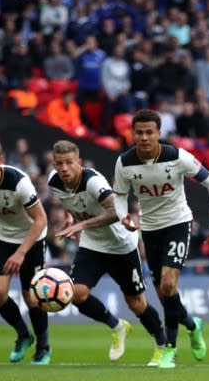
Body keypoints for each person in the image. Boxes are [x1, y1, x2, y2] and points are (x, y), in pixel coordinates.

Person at [113, 109, 209, 368]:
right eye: (139, 132)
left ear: (159, 134)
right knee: (166, 295)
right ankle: (192, 325)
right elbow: (119, 194)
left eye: (149, 132)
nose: (143, 137)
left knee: (167, 284)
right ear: (133, 134)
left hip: (177, 223)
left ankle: (170, 349)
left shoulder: (177, 157)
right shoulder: (125, 163)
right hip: (150, 230)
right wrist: (123, 216)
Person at [49, 140, 168, 365]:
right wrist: (68, 216)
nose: (64, 168)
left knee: (136, 304)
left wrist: (81, 225)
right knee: (76, 294)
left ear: (79, 163)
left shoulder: (93, 182)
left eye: (68, 163)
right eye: (59, 164)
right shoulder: (54, 182)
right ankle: (117, 326)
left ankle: (162, 344)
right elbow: (67, 201)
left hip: (122, 246)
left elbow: (117, 211)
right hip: (93, 245)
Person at [0, 137, 51, 365]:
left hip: (31, 238)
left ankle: (44, 345)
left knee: (31, 296)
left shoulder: (18, 183)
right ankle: (24, 334)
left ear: (0, 160)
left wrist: (21, 252)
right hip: (3, 237)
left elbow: (41, 219)